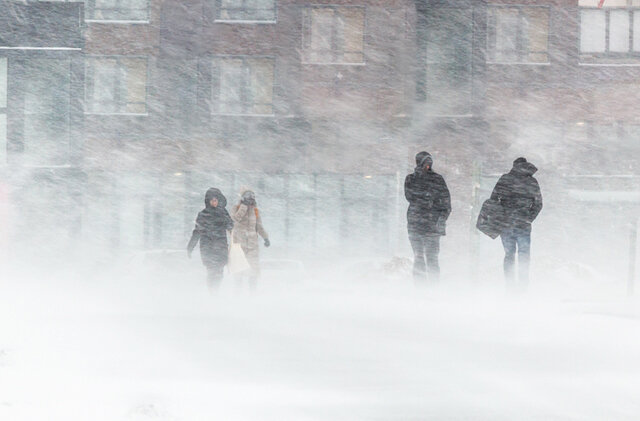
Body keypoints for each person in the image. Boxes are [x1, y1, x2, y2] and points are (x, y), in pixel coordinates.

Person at [489, 157, 543, 291]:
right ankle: (524, 284)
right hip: (523, 224)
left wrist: (500, 216)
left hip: (506, 223)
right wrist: (529, 217)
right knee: (524, 254)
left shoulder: (505, 179)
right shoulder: (531, 181)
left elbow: (493, 200)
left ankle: (510, 285)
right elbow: (538, 204)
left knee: (509, 254)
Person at [404, 151, 451, 283]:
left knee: (432, 258)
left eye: (429, 163)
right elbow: (410, 196)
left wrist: (441, 219)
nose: (428, 166)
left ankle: (433, 287)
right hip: (415, 225)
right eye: (425, 163)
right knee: (419, 257)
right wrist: (427, 197)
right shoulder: (411, 179)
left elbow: (446, 203)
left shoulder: (437, 179)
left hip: (432, 226)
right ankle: (420, 288)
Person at [187, 188, 234, 292]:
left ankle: (215, 291)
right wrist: (190, 246)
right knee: (211, 271)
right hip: (207, 247)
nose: (214, 202)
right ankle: (212, 292)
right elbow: (197, 231)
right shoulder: (203, 215)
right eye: (212, 200)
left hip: (221, 247)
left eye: (216, 200)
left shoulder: (223, 213)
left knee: (219, 272)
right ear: (208, 201)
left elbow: (231, 227)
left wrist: (224, 215)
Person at [231, 189, 270, 289]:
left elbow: (259, 226)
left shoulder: (255, 211)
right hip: (239, 244)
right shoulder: (236, 208)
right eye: (248, 198)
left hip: (252, 245)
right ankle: (238, 292)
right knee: (239, 270)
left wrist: (265, 237)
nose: (251, 201)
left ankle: (252, 292)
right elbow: (235, 219)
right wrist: (243, 207)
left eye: (252, 199)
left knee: (253, 270)